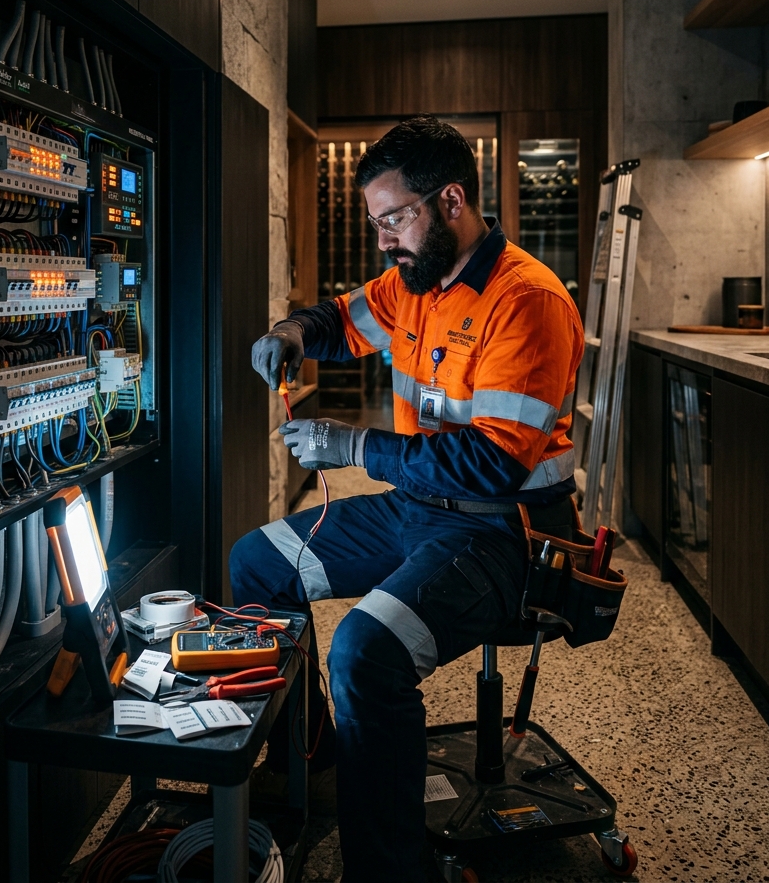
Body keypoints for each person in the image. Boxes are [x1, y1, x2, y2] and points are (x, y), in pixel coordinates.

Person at [231, 115, 585, 881]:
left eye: (395, 219)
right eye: (377, 223)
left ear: (450, 201)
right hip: (418, 509)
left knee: (365, 651)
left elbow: (491, 464)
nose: (384, 240)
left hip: (503, 533)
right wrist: (291, 333)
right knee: (257, 563)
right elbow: (340, 319)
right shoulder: (413, 282)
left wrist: (354, 448)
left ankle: (390, 871)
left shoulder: (527, 301)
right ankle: (317, 759)